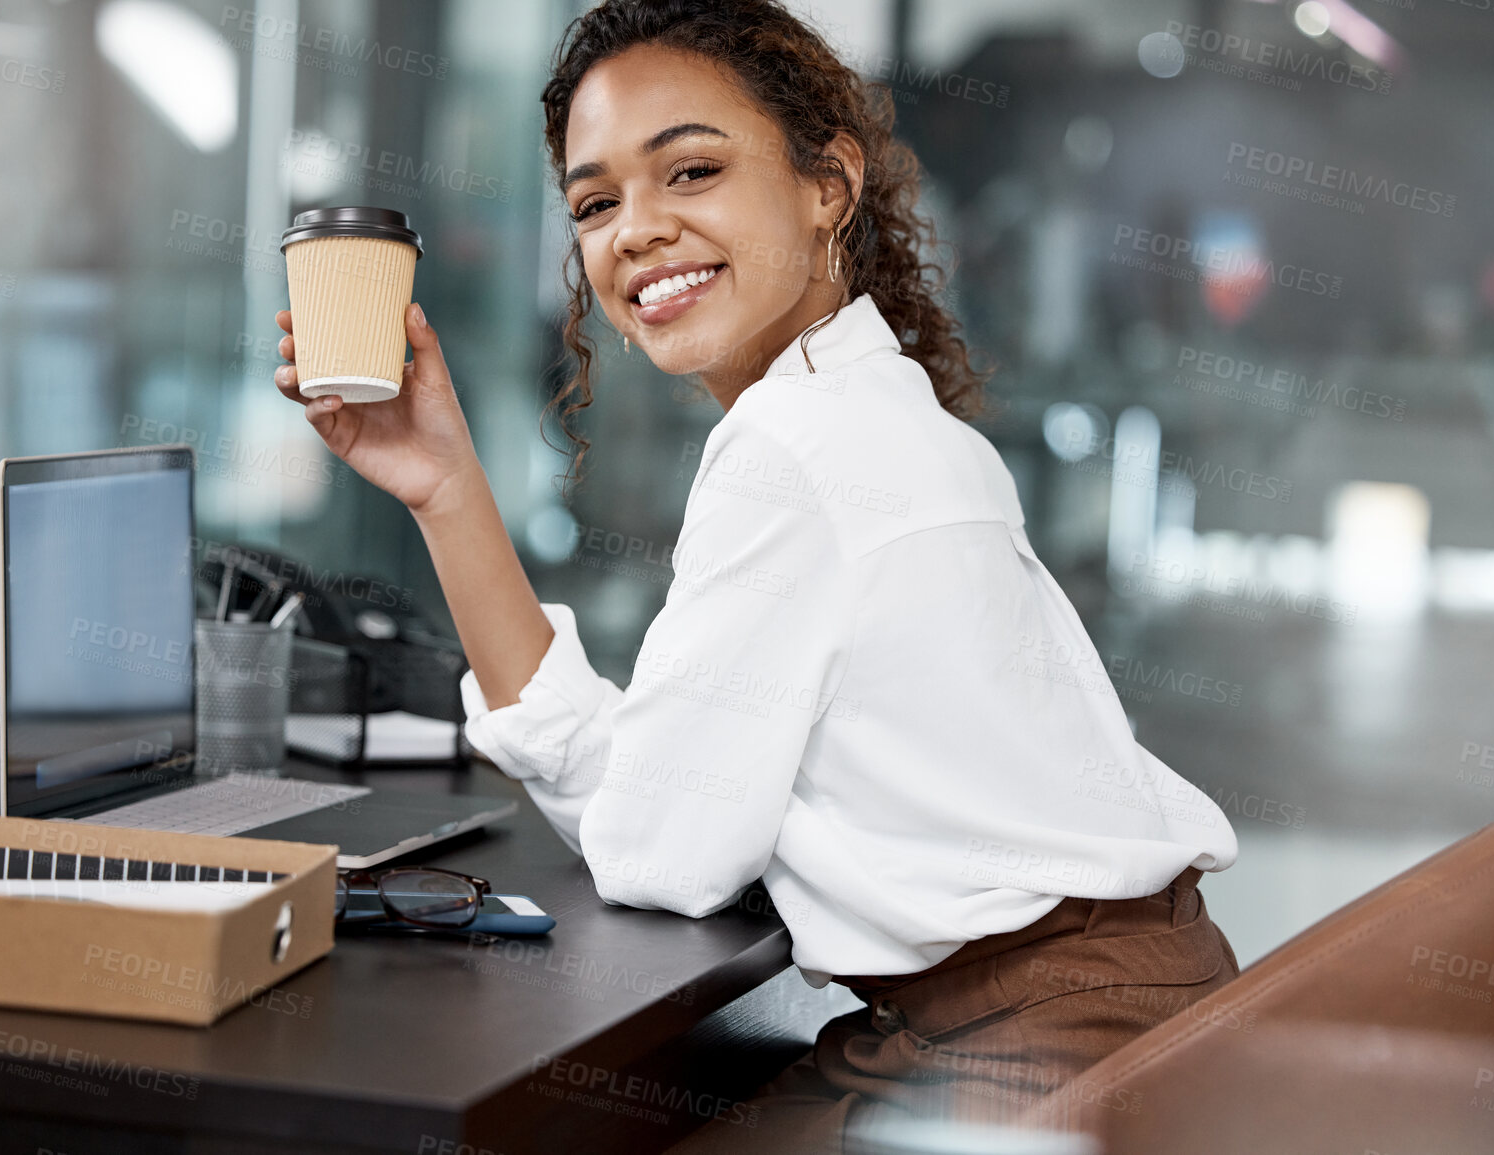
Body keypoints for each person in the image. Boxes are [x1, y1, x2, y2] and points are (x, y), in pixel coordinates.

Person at [273, 1, 1240, 1149]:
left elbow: (660, 853)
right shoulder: (873, 412)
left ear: (827, 186)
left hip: (1030, 1052)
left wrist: (643, 800)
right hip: (1101, 1011)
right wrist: (445, 488)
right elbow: (674, 802)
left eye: (690, 171)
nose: (635, 230)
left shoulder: (793, 451)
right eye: (596, 202)